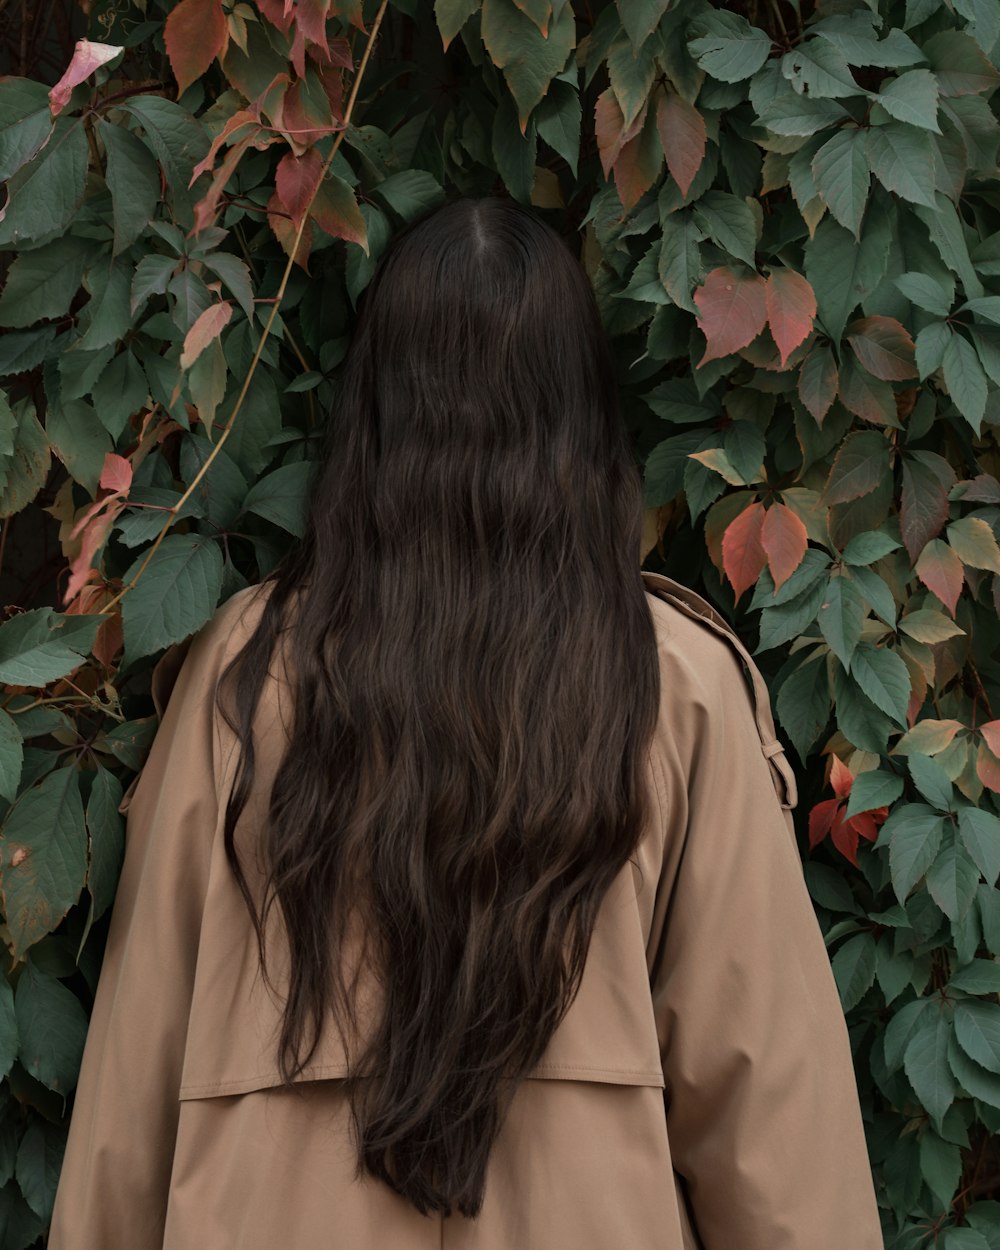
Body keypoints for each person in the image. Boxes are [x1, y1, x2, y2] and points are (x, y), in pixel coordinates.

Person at [48, 195, 884, 1249]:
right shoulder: (678, 686)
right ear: (579, 406)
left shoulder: (242, 675)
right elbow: (774, 1124)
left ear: (377, 409)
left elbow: (132, 1081)